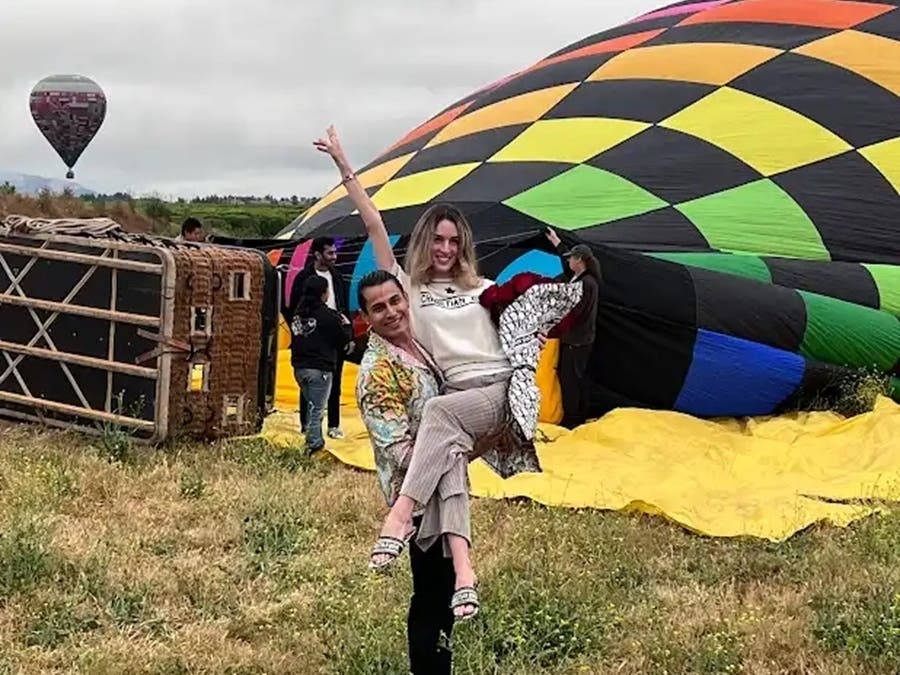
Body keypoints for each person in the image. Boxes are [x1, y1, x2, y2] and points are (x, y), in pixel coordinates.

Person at [315, 125, 526, 619]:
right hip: (458, 409)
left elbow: (526, 323)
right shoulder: (407, 290)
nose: (446, 248)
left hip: (492, 395)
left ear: (464, 244)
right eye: (438, 238)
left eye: (454, 240)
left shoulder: (484, 287)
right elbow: (373, 225)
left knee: (437, 415)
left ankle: (399, 515)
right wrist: (345, 168)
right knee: (445, 445)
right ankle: (465, 574)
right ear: (426, 241)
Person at [355, 269, 457, 674]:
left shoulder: (417, 346)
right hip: (417, 501)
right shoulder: (378, 372)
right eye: (379, 307)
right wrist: (452, 457)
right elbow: (397, 449)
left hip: (445, 491)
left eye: (395, 301)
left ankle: (440, 666)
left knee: (446, 589)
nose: (391, 311)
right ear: (365, 317)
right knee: (431, 594)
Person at [288, 236, 351, 439]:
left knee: (335, 381)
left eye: (335, 252)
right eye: (330, 253)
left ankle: (333, 424)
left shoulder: (337, 277)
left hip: (333, 334)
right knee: (310, 382)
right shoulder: (304, 278)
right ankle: (307, 426)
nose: (334, 256)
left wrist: (347, 334)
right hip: (312, 336)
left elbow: (344, 307)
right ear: (317, 254)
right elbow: (293, 309)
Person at [545, 229, 601, 428]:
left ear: (580, 260)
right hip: (577, 340)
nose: (568, 262)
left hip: (577, 342)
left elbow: (575, 313)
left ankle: (573, 420)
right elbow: (566, 267)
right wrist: (556, 242)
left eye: (571, 259)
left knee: (571, 380)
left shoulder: (586, 284)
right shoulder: (580, 278)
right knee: (574, 378)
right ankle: (576, 415)